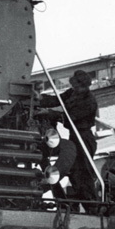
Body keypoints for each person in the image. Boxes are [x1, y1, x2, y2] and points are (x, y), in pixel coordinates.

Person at [38, 69, 98, 203]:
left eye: (77, 86)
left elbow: (71, 117)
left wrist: (50, 113)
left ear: (84, 85)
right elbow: (57, 100)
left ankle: (92, 202)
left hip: (84, 137)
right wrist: (40, 98)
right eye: (74, 86)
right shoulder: (73, 92)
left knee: (84, 171)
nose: (75, 89)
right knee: (75, 172)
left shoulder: (89, 101)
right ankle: (81, 199)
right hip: (74, 136)